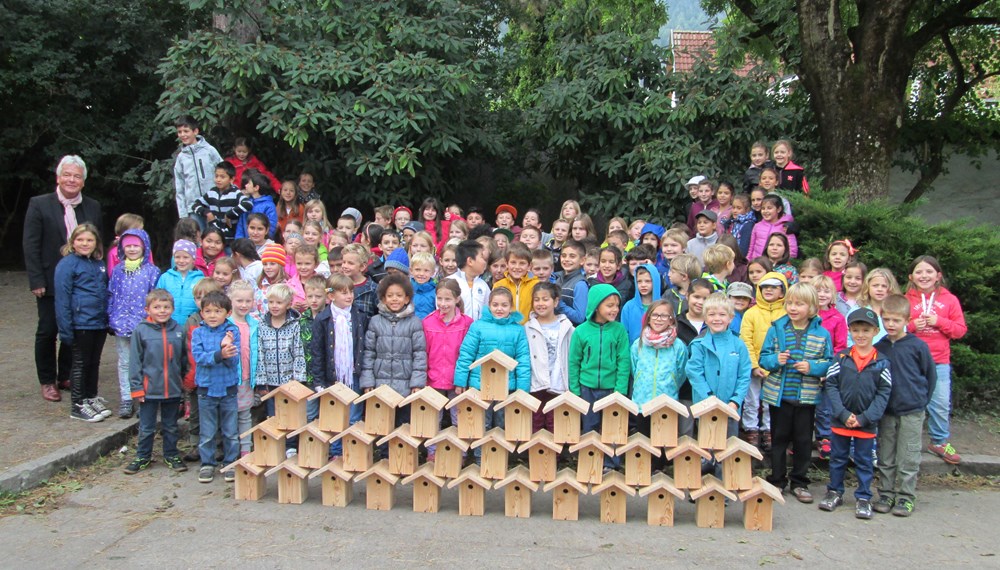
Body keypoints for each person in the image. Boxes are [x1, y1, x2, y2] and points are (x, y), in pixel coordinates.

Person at [23, 155, 103, 402]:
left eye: (77, 176)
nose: (71, 180)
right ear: (58, 178)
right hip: (49, 280)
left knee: (77, 328)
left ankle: (67, 374)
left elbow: (96, 242)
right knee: (48, 329)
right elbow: (31, 243)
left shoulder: (92, 206)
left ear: (83, 181)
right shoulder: (39, 204)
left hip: (82, 282)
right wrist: (36, 280)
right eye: (67, 175)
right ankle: (47, 380)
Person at [760, 283, 834, 504]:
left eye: (799, 304)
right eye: (790, 303)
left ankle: (800, 482)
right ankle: (777, 480)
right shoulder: (776, 329)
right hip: (780, 397)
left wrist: (812, 367)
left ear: (812, 307)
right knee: (779, 439)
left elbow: (829, 362)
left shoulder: (821, 333)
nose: (793, 308)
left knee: (803, 441)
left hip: (806, 397)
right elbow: (764, 358)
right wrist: (776, 360)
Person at [818, 307, 891, 518]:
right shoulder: (841, 358)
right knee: (838, 458)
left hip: (866, 423)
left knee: (864, 461)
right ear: (849, 330)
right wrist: (842, 414)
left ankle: (864, 496)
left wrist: (865, 417)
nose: (861, 335)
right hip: (841, 421)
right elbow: (831, 386)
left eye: (866, 330)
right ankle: (834, 492)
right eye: (856, 330)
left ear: (875, 331)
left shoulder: (882, 361)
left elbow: (884, 392)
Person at [872, 294, 936, 516]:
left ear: (907, 320)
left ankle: (906, 497)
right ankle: (886, 494)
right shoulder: (879, 347)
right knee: (886, 455)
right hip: (887, 411)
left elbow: (930, 376)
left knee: (908, 455)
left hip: (912, 410)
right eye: (887, 320)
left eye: (896, 321)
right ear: (881, 318)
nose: (891, 324)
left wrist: (920, 402)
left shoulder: (917, 346)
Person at [905, 255, 966, 465]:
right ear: (911, 276)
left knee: (939, 403)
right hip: (911, 362)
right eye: (919, 272)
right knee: (910, 405)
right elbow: (894, 327)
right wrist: (913, 326)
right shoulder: (905, 299)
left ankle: (939, 441)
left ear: (938, 276)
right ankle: (907, 443)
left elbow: (960, 330)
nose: (924, 276)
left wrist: (939, 321)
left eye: (929, 271)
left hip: (939, 361)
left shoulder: (950, 300)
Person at [123, 290, 190, 474]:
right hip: (149, 389)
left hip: (173, 389)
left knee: (170, 426)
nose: (162, 311)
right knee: (146, 427)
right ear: (148, 309)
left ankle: (171, 455)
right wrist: (136, 388)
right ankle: (142, 457)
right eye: (157, 307)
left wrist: (183, 383)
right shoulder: (141, 331)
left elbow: (183, 360)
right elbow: (135, 362)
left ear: (173, 309)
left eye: (166, 307)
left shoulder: (177, 330)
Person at [455, 288, 531, 445]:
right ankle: (480, 456)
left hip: (506, 386)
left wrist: (522, 388)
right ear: (489, 305)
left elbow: (522, 359)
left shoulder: (517, 330)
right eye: (495, 304)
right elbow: (466, 354)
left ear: (511, 307)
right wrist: (461, 381)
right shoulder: (478, 327)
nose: (499, 309)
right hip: (480, 385)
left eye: (504, 305)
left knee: (503, 423)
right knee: (482, 422)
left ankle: (500, 458)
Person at [687, 293, 752, 474]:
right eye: (712, 315)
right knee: (706, 447)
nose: (717, 319)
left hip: (730, 407)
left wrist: (735, 401)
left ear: (731, 318)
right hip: (706, 407)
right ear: (705, 318)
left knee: (727, 448)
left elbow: (744, 375)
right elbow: (694, 372)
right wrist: (709, 398)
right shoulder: (699, 344)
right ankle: (701, 488)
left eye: (722, 315)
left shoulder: (738, 345)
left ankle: (721, 489)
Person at [55, 223, 110, 421]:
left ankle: (90, 397)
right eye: (80, 240)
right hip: (80, 322)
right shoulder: (67, 264)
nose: (85, 244)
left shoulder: (98, 263)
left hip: (99, 322)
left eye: (89, 240)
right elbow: (62, 298)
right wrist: (65, 328)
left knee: (94, 362)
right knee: (80, 363)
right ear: (72, 242)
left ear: (96, 243)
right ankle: (78, 404)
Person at [311, 274, 366, 457]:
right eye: (343, 293)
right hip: (332, 377)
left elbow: (363, 347)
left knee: (353, 415)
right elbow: (317, 352)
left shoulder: (359, 316)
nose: (349, 296)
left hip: (353, 374)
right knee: (334, 415)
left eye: (351, 291)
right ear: (331, 296)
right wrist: (319, 380)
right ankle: (336, 452)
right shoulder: (323, 319)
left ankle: (352, 451)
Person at [108, 228, 161, 418]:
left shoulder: (152, 272)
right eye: (127, 246)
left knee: (145, 362)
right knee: (124, 361)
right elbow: (112, 295)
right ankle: (126, 398)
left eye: (135, 246)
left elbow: (156, 298)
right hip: (121, 323)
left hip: (143, 325)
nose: (131, 249)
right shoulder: (118, 270)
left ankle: (144, 398)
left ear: (144, 247)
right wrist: (111, 316)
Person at [190, 291, 241, 483]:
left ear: (227, 313)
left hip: (228, 388)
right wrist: (221, 352)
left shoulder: (232, 331)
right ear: (201, 313)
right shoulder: (198, 332)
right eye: (208, 311)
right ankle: (207, 463)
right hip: (206, 389)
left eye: (217, 311)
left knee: (230, 431)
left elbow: (233, 361)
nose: (212, 315)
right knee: (208, 431)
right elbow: (200, 358)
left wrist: (226, 350)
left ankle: (230, 462)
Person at [568, 284, 630, 434]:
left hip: (611, 388)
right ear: (596, 306)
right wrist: (575, 390)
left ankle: (612, 458)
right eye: (610, 305)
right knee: (590, 428)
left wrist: (620, 389)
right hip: (587, 388)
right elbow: (574, 362)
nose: (615, 309)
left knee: (612, 428)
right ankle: (591, 457)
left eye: (617, 305)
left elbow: (623, 361)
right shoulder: (581, 331)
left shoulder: (619, 330)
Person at [739, 272, 789, 450]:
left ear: (782, 291)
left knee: (771, 401)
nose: (768, 290)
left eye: (774, 287)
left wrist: (778, 361)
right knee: (751, 399)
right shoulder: (751, 313)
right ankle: (751, 429)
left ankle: (768, 429)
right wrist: (753, 365)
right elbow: (746, 340)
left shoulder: (786, 313)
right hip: (754, 367)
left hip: (777, 366)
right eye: (765, 287)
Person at [360, 274, 427, 401]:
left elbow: (419, 355)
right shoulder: (375, 322)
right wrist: (368, 381)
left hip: (406, 387)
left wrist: (417, 384)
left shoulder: (414, 323)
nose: (394, 299)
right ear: (383, 299)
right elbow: (369, 353)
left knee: (404, 421)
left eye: (399, 295)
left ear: (407, 299)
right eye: (390, 296)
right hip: (380, 386)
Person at [525, 282, 574, 433]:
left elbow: (572, 355)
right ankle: (534, 456)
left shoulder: (567, 326)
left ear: (556, 301)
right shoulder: (528, 327)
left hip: (558, 382)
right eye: (536, 299)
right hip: (537, 382)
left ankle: (555, 456)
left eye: (545, 299)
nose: (540, 303)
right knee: (535, 420)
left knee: (556, 422)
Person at [631, 300, 688, 417]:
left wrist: (672, 381)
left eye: (664, 316)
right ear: (648, 318)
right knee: (641, 435)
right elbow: (634, 368)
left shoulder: (678, 346)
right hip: (642, 402)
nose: (658, 319)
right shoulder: (639, 344)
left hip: (667, 403)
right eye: (655, 315)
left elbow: (681, 373)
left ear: (671, 319)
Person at [255, 284, 307, 408]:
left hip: (289, 382)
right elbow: (260, 354)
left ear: (288, 304)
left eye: (279, 302)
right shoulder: (262, 325)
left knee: (289, 416)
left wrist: (298, 380)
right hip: (270, 382)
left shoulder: (294, 325)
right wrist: (261, 383)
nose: (274, 306)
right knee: (272, 417)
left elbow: (298, 354)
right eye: (271, 302)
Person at [814, 275, 848, 458]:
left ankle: (824, 436)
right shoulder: (806, 315)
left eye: (826, 290)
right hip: (807, 367)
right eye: (818, 290)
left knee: (825, 405)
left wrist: (827, 369)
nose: (822, 294)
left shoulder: (837, 318)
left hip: (828, 368)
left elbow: (841, 347)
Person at [227, 280, 259, 457]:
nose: (244, 305)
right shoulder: (226, 325)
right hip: (231, 378)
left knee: (245, 415)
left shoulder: (255, 324)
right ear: (230, 300)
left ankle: (246, 449)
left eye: (248, 301)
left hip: (248, 378)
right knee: (230, 416)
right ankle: (230, 452)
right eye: (239, 301)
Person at [173, 115, 223, 221]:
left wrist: (226, 199)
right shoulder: (181, 158)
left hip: (214, 204)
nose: (183, 135)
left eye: (186, 131)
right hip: (193, 208)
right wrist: (183, 214)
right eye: (180, 132)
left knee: (215, 236)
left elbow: (225, 174)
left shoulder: (209, 150)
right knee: (196, 237)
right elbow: (180, 187)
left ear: (195, 131)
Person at [191, 161, 252, 242]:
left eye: (222, 177)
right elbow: (195, 205)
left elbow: (248, 204)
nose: (218, 180)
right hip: (213, 237)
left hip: (230, 238)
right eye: (216, 176)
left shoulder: (235, 193)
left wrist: (229, 214)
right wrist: (207, 213)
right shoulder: (212, 193)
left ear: (231, 179)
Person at [494, 243, 539, 324]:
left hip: (529, 331)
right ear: (507, 263)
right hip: (506, 330)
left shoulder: (536, 285)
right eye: (513, 262)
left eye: (522, 263)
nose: (517, 267)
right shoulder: (499, 285)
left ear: (529, 266)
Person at [447, 239, 491, 321]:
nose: (485, 262)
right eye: (482, 257)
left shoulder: (483, 285)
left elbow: (488, 311)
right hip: (456, 332)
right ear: (470, 261)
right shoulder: (449, 283)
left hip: (478, 332)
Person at [747, 194, 797, 260]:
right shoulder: (757, 226)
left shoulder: (786, 226)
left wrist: (784, 263)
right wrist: (749, 260)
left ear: (779, 209)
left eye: (769, 208)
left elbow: (792, 250)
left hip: (778, 266)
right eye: (763, 208)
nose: (765, 211)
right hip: (758, 264)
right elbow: (751, 248)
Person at [622, 263, 662, 343]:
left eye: (647, 281)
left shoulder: (664, 307)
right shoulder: (628, 307)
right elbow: (624, 334)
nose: (643, 285)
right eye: (639, 281)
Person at [234, 169, 278, 240]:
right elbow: (240, 226)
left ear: (256, 188)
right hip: (245, 245)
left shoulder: (269, 206)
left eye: (249, 183)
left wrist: (261, 242)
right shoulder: (246, 203)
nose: (246, 186)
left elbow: (271, 228)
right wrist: (239, 243)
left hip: (261, 245)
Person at [555, 239, 589, 325]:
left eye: (572, 256)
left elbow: (580, 317)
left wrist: (558, 304)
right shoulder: (558, 279)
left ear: (582, 260)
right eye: (563, 255)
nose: (566, 259)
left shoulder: (580, 284)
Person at [410, 252, 438, 319]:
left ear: (433, 272)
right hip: (411, 327)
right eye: (417, 269)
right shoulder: (407, 290)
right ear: (411, 270)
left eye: (426, 270)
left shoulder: (436, 292)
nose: (421, 273)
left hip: (430, 327)